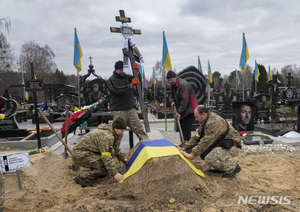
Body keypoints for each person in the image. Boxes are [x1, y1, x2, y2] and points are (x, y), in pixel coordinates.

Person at [178, 105, 242, 178]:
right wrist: (185, 147)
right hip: (221, 144)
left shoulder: (214, 122)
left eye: (197, 117)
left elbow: (205, 142)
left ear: (203, 114)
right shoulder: (205, 121)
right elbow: (197, 137)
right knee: (203, 153)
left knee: (210, 159)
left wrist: (191, 155)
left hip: (233, 146)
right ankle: (220, 168)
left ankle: (233, 167)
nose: (195, 119)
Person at [72, 117, 128, 187]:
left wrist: (122, 159)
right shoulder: (107, 136)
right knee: (103, 167)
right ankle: (81, 177)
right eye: (121, 130)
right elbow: (106, 156)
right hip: (80, 154)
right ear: (115, 128)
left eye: (124, 130)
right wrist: (115, 173)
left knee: (107, 165)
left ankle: (98, 172)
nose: (122, 133)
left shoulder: (115, 133)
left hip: (91, 152)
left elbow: (115, 148)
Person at [106, 60, 149, 141]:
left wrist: (137, 72)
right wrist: (130, 85)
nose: (123, 72)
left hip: (130, 109)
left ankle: (147, 145)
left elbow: (137, 80)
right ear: (116, 70)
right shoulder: (111, 80)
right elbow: (117, 90)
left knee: (139, 129)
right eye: (121, 70)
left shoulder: (126, 77)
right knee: (117, 132)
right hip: (119, 110)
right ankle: (115, 150)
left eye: (124, 70)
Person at [166, 70, 197, 143]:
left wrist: (179, 112)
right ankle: (183, 143)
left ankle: (187, 145)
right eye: (168, 80)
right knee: (181, 128)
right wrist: (172, 101)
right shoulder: (173, 86)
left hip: (189, 109)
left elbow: (184, 100)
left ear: (175, 77)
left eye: (171, 79)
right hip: (182, 109)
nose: (170, 82)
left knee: (186, 129)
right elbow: (172, 96)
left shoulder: (183, 84)